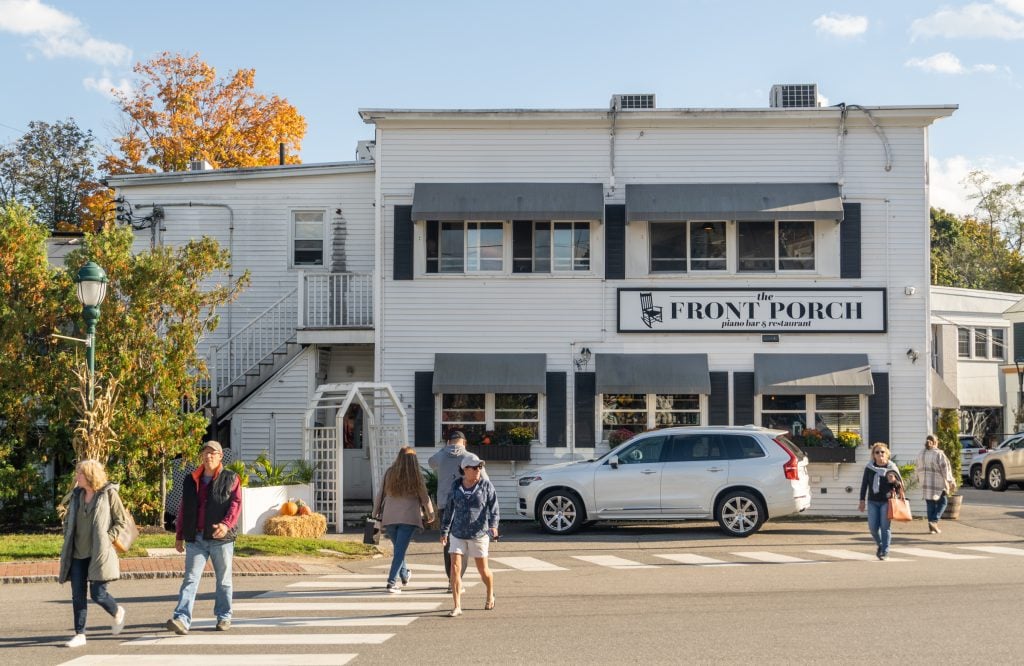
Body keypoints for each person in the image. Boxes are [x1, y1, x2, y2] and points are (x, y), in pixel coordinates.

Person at [166, 441, 241, 635]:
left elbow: (235, 504)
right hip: (196, 538)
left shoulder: (231, 478)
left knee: (223, 580)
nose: (209, 456)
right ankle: (182, 619)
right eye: (205, 453)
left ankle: (224, 616)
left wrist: (226, 525)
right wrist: (180, 534)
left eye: (213, 453)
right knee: (190, 579)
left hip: (221, 539)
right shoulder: (191, 479)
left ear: (220, 456)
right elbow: (185, 507)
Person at [58, 459, 129, 648]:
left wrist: (107, 538)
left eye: (79, 473)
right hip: (77, 553)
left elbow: (120, 521)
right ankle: (80, 634)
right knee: (77, 595)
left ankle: (116, 611)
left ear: (90, 475)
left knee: (98, 594)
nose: (77, 477)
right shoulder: (76, 495)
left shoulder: (108, 494)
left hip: (99, 552)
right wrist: (67, 532)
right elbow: (68, 520)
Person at [440, 455, 499, 617]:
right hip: (457, 532)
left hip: (478, 533)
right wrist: (444, 531)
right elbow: (449, 510)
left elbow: (493, 507)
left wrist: (494, 526)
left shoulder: (486, 486)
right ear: (465, 469)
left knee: (483, 570)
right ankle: (457, 606)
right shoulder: (456, 486)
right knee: (455, 568)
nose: (478, 470)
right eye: (474, 467)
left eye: (480, 467)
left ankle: (489, 592)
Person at [428, 430, 488, 590]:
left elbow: (430, 462)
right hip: (466, 506)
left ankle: (451, 581)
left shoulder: (440, 455)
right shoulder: (470, 457)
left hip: (444, 504)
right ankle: (457, 580)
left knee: (448, 543)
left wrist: (444, 449)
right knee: (464, 542)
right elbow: (486, 481)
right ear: (465, 442)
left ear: (448, 442)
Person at [373, 447, 435, 593]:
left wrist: (375, 513)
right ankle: (391, 582)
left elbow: (380, 494)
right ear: (414, 460)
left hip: (389, 517)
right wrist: (431, 513)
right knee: (400, 551)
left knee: (399, 549)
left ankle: (405, 574)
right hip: (409, 518)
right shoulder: (416, 476)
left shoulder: (389, 472)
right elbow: (424, 497)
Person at [858, 442, 902, 560]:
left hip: (887, 501)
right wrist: (862, 500)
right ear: (874, 455)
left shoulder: (891, 468)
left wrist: (894, 481)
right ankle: (881, 544)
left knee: (884, 527)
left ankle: (885, 551)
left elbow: (900, 486)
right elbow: (864, 485)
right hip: (872, 501)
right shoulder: (869, 468)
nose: (880, 454)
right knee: (872, 527)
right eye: (877, 452)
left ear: (887, 454)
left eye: (882, 452)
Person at [915, 433, 956, 534]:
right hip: (937, 483)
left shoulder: (921, 453)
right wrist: (951, 481)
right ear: (936, 442)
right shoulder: (939, 454)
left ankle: (931, 528)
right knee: (943, 502)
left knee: (930, 504)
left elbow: (917, 468)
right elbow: (945, 469)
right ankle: (934, 521)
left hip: (925, 483)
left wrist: (919, 479)